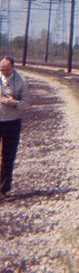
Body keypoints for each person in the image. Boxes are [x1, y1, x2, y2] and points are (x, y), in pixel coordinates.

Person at [0, 56, 29, 199]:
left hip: (12, 122)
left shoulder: (21, 81)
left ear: (12, 68)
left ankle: (3, 189)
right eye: (1, 69)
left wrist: (14, 103)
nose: (3, 72)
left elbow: (26, 103)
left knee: (8, 156)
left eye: (6, 69)